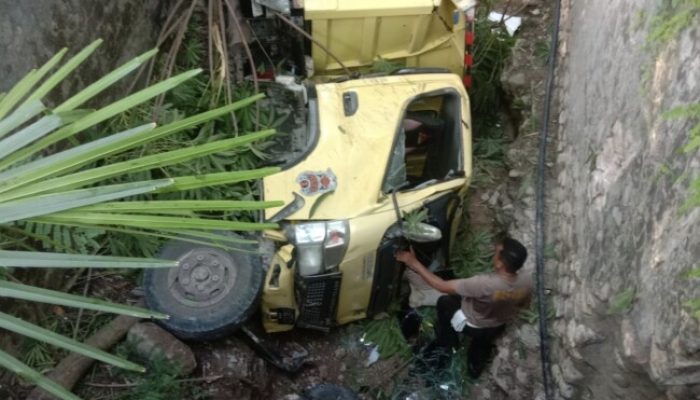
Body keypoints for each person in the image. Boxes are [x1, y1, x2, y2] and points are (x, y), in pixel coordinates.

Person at [395, 237, 532, 378]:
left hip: (473, 325)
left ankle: (449, 342)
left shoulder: (483, 284)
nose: (493, 254)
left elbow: (442, 286)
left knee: (445, 302)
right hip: (497, 325)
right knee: (481, 345)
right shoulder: (527, 281)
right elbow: (523, 305)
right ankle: (475, 364)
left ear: (499, 263)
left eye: (495, 253)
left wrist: (413, 262)